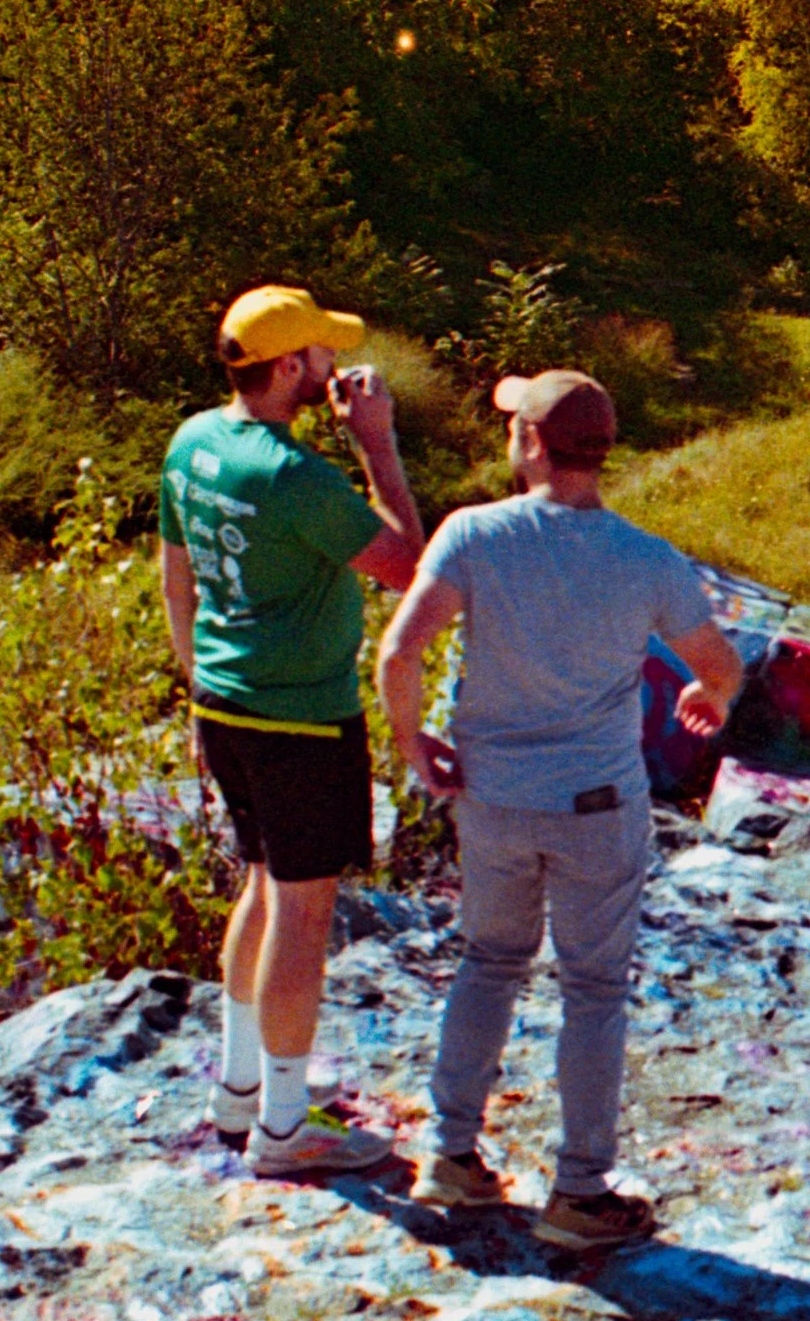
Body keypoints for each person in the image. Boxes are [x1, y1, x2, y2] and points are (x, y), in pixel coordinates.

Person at [376, 368, 743, 1245]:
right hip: (599, 808)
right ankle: (579, 1194)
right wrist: (709, 700)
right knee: (594, 989)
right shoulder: (647, 558)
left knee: (489, 962)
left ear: (531, 444)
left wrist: (411, 743)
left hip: (493, 801)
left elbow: (399, 652)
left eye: (514, 427)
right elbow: (721, 665)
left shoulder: (473, 535)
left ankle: (451, 1156)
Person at [160, 286, 425, 1177]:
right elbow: (409, 569)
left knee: (264, 885)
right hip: (304, 718)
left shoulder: (194, 441)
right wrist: (378, 445)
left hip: (225, 701)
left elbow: (177, 572)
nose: (333, 368)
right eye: (319, 356)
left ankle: (237, 1092)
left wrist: (199, 683)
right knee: (304, 915)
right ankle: (283, 1127)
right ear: (288, 369)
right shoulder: (296, 478)